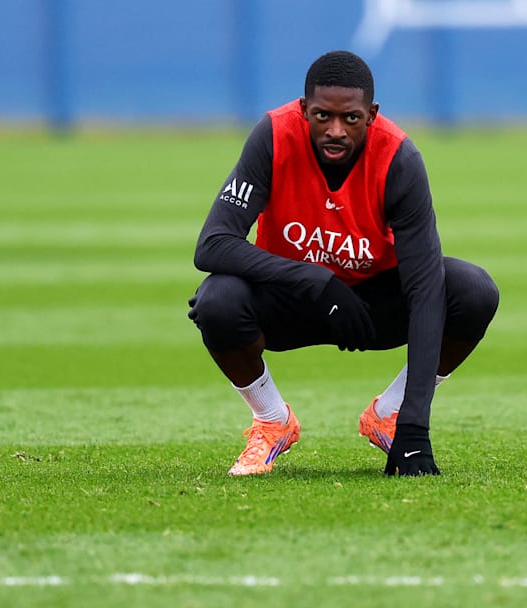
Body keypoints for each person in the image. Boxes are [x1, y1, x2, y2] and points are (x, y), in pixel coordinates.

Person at [187, 50, 499, 477]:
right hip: (294, 298)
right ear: (303, 110)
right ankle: (272, 421)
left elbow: (425, 289)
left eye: (351, 118)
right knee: (216, 300)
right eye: (322, 116)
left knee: (473, 291)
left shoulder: (399, 159)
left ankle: (388, 415)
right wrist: (316, 279)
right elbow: (212, 244)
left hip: (371, 308)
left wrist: (414, 426)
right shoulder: (274, 136)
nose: (335, 130)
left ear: (371, 115)